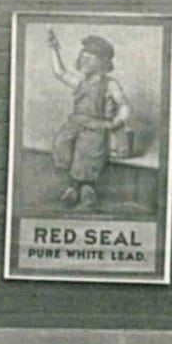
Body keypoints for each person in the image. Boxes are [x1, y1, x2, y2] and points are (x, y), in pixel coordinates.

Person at [44, 29, 130, 212]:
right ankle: (74, 184)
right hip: (76, 122)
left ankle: (84, 189)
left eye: (89, 59)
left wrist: (119, 121)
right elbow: (60, 73)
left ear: (103, 63)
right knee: (61, 143)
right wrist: (54, 49)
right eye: (82, 57)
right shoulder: (80, 81)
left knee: (88, 153)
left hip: (96, 126)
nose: (83, 61)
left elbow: (123, 104)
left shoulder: (110, 84)